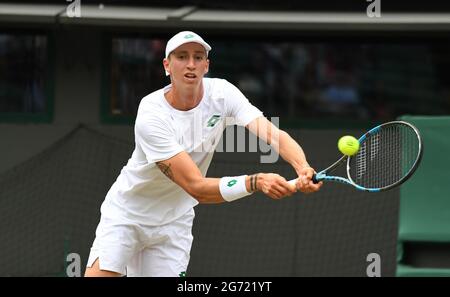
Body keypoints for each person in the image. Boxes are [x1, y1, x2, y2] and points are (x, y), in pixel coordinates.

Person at [84, 31, 322, 277]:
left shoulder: (223, 94)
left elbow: (274, 135)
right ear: (167, 65)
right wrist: (256, 181)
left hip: (174, 223)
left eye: (198, 57)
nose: (191, 64)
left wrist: (303, 167)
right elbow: (195, 186)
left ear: (206, 65)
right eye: (182, 57)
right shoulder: (151, 114)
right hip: (127, 216)